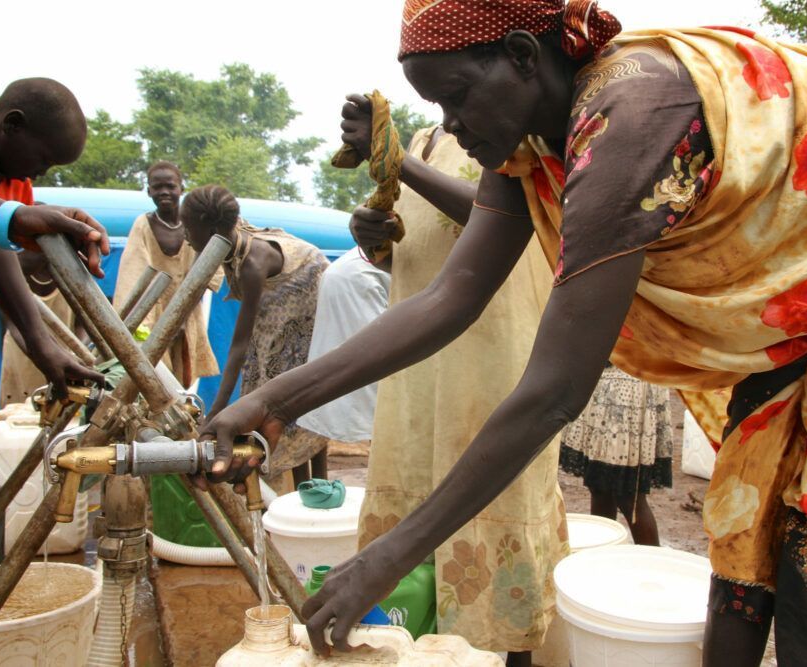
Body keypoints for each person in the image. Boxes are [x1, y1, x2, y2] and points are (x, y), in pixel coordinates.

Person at [201, 2, 807, 664]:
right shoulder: (531, 145)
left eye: (458, 99)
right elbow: (449, 298)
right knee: (743, 531)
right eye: (439, 111)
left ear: (524, 58)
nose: (453, 128)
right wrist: (273, 400)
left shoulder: (630, 123)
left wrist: (388, 556)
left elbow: (553, 393)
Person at [338, 117, 566, 664]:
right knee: (416, 522)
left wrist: (397, 162)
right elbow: (421, 252)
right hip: (417, 376)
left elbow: (508, 219)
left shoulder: (521, 134)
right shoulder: (420, 140)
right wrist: (377, 241)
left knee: (491, 500)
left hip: (490, 360)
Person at [0, 62, 105, 437]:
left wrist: (47, 262)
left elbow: (8, 285)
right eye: (44, 159)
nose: (41, 173)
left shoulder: (17, 190)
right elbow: (0, 259)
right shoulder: (8, 203)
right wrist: (20, 253)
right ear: (12, 125)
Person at [182, 185, 329, 488]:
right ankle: (302, 486)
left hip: (309, 291)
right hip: (283, 298)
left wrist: (216, 411)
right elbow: (191, 290)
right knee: (268, 377)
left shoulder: (252, 263)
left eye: (187, 227)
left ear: (210, 229)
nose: (184, 235)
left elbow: (240, 345)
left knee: (288, 386)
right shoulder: (224, 242)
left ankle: (311, 487)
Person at [113, 161, 219, 387]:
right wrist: (145, 324)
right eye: (157, 187)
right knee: (153, 377)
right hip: (151, 310)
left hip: (187, 308)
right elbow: (133, 274)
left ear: (181, 188)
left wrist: (180, 314)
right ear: (149, 190)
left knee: (183, 379)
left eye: (170, 186)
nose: (164, 192)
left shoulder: (194, 223)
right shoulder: (143, 225)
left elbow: (209, 267)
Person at [560, 363, 672, 546]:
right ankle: (603, 558)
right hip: (608, 379)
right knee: (600, 487)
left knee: (628, 494)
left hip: (627, 383)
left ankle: (653, 562)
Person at [296, 248, 390, 453]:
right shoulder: (357, 274)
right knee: (386, 408)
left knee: (383, 410)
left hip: (354, 286)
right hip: (357, 289)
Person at [0, 251, 81, 407]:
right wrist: (45, 355)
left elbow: (82, 321)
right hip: (22, 357)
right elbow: (13, 323)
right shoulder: (10, 265)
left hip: (63, 359)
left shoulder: (72, 267)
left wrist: (77, 355)